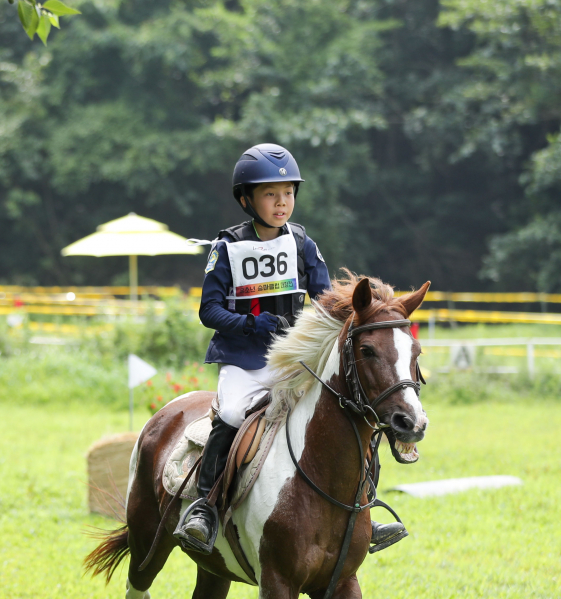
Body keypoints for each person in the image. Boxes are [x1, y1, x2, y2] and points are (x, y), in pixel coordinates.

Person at [174, 143, 407, 555]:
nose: (282, 203)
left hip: (292, 361)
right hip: (243, 362)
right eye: (270, 194)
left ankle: (366, 506)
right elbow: (208, 310)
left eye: (288, 193)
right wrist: (250, 323)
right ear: (247, 199)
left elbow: (325, 301)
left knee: (347, 410)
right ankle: (205, 508)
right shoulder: (226, 247)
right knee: (229, 414)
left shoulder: (303, 244)